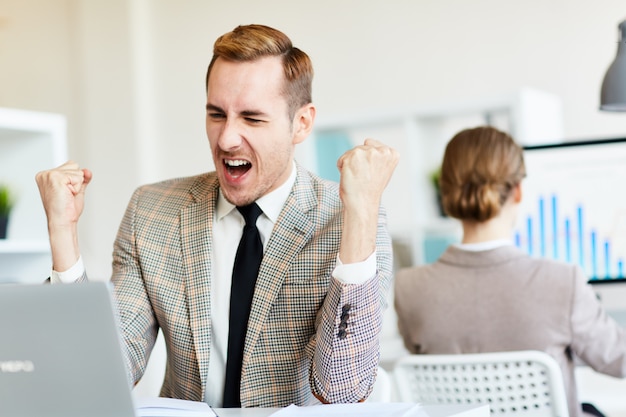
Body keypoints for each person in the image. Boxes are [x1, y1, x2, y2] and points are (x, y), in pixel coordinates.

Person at [36, 24, 399, 408]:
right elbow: (97, 376)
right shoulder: (151, 212)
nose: (226, 139)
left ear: (302, 123)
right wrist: (63, 234)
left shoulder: (351, 219)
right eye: (216, 114)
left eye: (252, 118)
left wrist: (359, 214)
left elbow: (343, 389)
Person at [394, 126, 626, 417]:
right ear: (517, 190)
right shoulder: (563, 282)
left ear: (446, 191)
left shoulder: (409, 288)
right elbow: (619, 360)